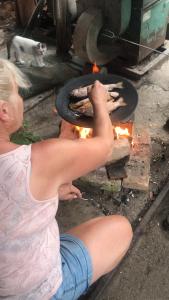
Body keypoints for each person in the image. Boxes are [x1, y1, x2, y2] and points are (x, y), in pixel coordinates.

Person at [0, 58, 133, 300]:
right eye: (18, 94)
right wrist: (99, 103)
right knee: (121, 228)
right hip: (37, 292)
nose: (19, 99)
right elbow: (104, 146)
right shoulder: (36, 161)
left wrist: (47, 194)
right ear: (4, 111)